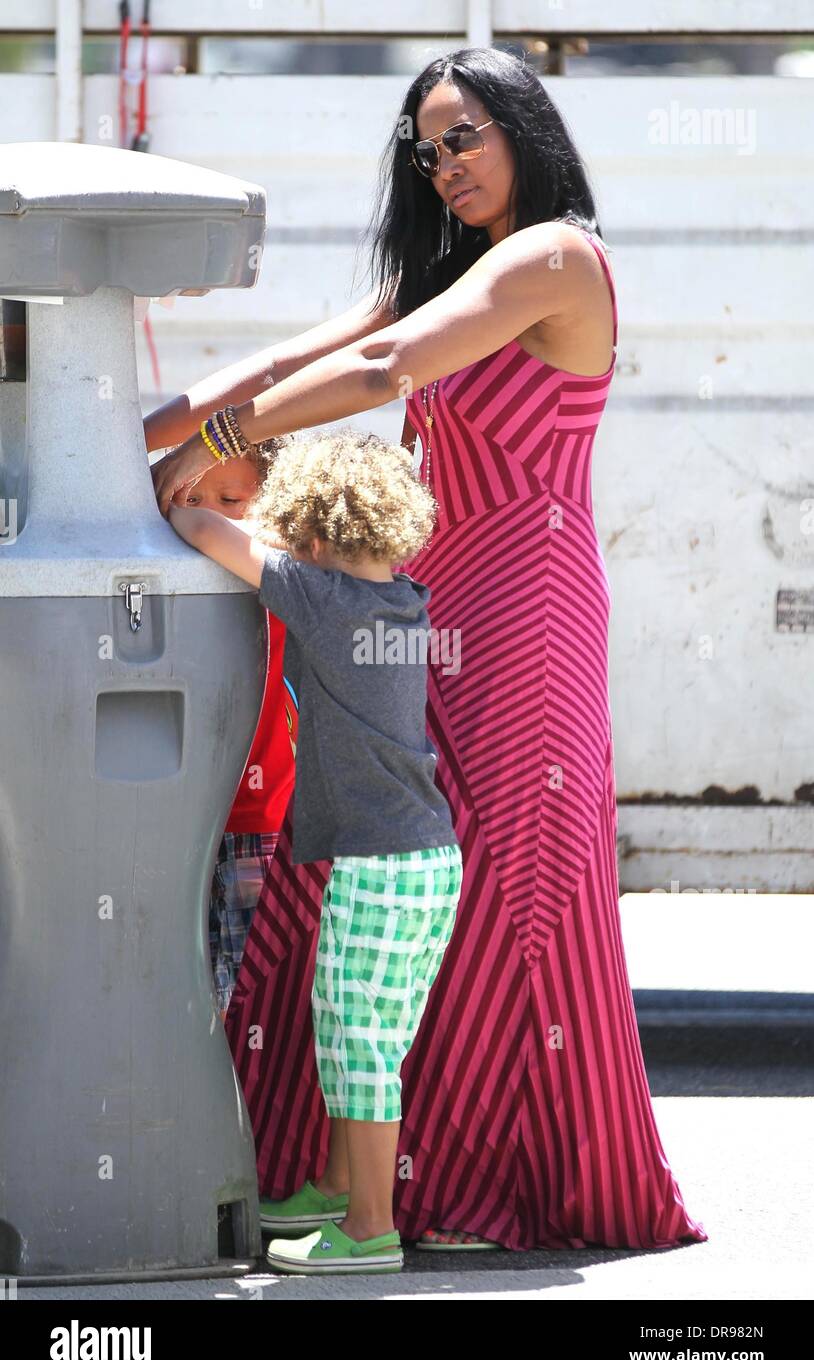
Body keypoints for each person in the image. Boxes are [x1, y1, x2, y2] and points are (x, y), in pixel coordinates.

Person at [146, 46, 708, 1253]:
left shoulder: (557, 257)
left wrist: (225, 440)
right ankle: (344, 1173)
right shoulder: (447, 270)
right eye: (428, 145)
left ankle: (469, 1180)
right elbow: (303, 353)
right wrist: (139, 432)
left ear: (524, 130)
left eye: (466, 136)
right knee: (368, 872)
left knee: (496, 885)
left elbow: (384, 370)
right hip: (424, 615)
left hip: (526, 622)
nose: (446, 162)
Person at [167, 427, 463, 1274]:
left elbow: (205, 534)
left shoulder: (323, 599)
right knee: (360, 1031)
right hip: (425, 861)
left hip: (380, 864)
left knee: (360, 1045)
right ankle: (336, 1187)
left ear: (317, 537)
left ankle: (370, 1229)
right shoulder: (406, 600)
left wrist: (183, 496)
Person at [172, 439, 298, 1021]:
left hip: (263, 821)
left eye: (230, 498)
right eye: (191, 497)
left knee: (245, 999)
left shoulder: (287, 578)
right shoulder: (165, 584)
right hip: (185, 823)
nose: (207, 513)